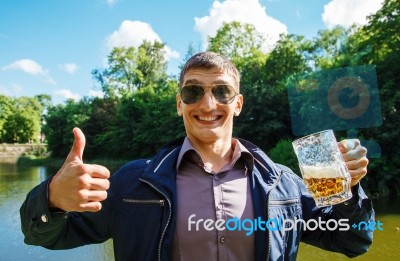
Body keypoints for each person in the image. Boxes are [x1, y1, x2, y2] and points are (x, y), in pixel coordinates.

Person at [20, 51, 374, 261]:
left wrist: (348, 190)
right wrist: (51, 198)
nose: (207, 104)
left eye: (221, 91)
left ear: (237, 103)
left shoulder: (284, 183)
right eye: (193, 91)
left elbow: (353, 240)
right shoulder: (132, 184)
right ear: (179, 104)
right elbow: (41, 236)